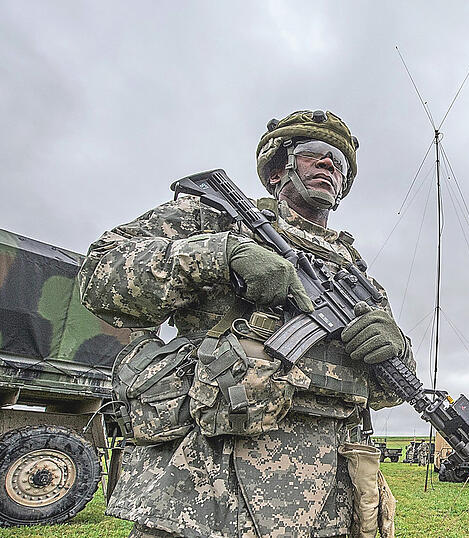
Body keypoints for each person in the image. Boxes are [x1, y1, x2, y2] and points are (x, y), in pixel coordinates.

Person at [79, 110, 412, 538]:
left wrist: (395, 346)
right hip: (209, 487)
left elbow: (389, 390)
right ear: (277, 170)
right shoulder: (217, 220)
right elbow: (99, 274)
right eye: (315, 154)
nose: (330, 164)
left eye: (340, 162)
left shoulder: (360, 278)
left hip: (332, 497)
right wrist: (219, 254)